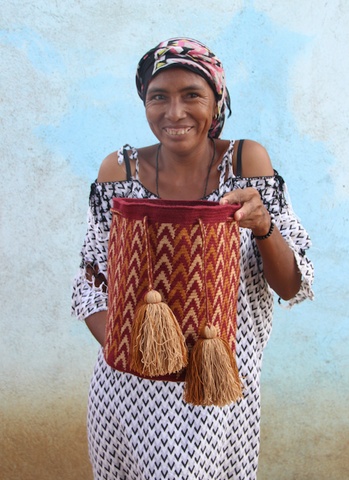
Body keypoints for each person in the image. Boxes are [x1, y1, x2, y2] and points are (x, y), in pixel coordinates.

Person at [72, 38, 314, 480]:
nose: (174, 112)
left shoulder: (246, 162)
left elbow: (291, 284)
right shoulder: (118, 172)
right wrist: (141, 356)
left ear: (216, 99)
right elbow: (89, 286)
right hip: (131, 390)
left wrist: (262, 224)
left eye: (192, 95)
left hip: (217, 388)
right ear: (143, 101)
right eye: (158, 97)